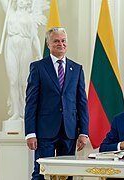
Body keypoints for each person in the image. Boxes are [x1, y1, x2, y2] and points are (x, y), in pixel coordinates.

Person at [24, 27, 89, 180]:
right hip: (44, 131)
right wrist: (30, 133)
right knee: (40, 172)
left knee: (67, 173)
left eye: (63, 40)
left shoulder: (77, 69)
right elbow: (31, 102)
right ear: (48, 44)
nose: (61, 44)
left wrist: (83, 132)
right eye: (56, 41)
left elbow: (82, 102)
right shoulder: (38, 67)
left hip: (69, 131)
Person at [0, 0, 47, 121]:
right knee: (13, 81)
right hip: (10, 45)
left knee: (24, 81)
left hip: (25, 45)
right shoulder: (10, 12)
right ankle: (16, 112)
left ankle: (27, 112)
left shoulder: (31, 18)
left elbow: (35, 38)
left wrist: (39, 55)